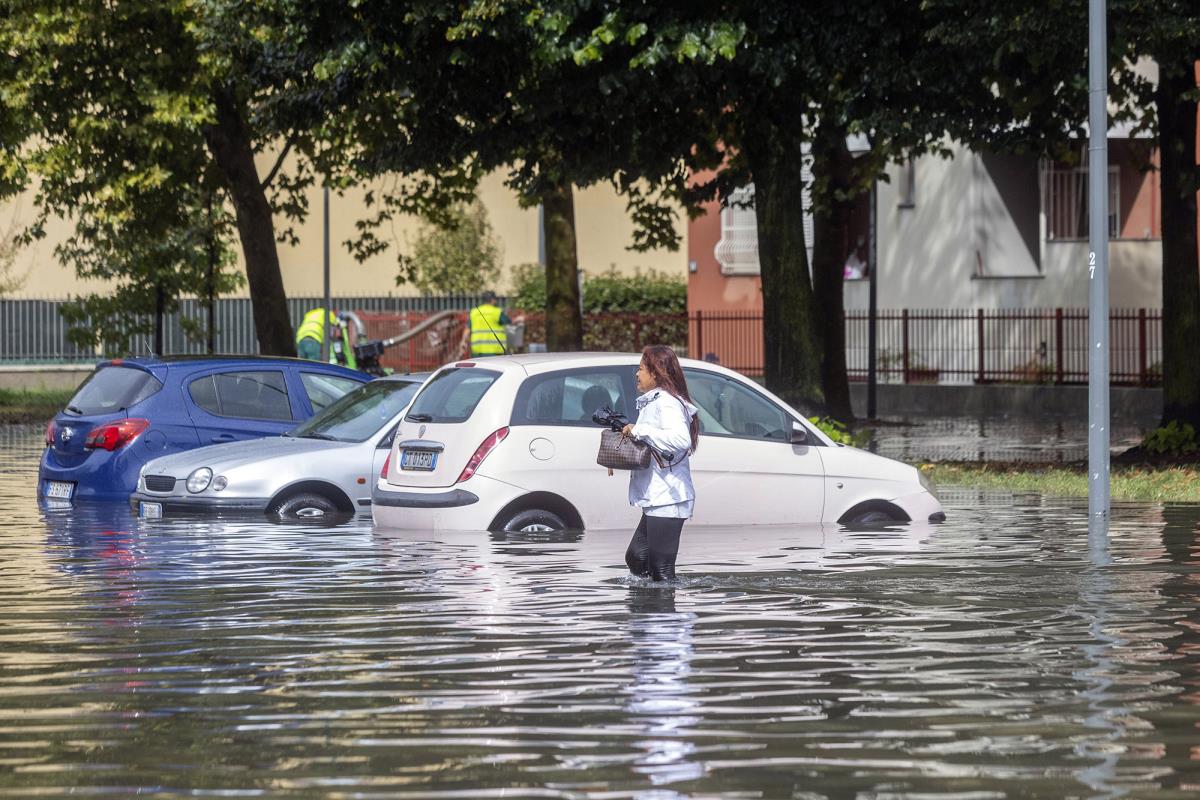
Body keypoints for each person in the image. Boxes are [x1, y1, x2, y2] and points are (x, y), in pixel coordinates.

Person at [621, 345, 700, 582]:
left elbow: (681, 440)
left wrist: (639, 430)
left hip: (669, 497)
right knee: (637, 558)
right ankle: (647, 604)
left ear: (656, 373)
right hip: (659, 497)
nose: (637, 374)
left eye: (641, 369)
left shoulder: (667, 402)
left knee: (661, 570)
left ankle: (665, 605)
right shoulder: (655, 401)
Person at [461, 290, 523, 357]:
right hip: (494, 351)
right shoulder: (497, 312)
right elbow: (509, 322)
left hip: (477, 351)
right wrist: (518, 319)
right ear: (493, 300)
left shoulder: (474, 312)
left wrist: (463, 341)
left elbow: (467, 329)